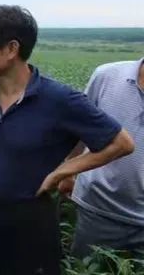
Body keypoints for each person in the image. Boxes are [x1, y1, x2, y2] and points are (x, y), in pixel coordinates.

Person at [0, 5, 135, 275]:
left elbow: (122, 143)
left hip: (30, 222)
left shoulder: (59, 100)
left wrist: (62, 171)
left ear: (11, 49)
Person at [57, 58, 144, 258]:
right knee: (86, 265)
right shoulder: (107, 76)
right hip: (98, 209)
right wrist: (68, 172)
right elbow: (81, 129)